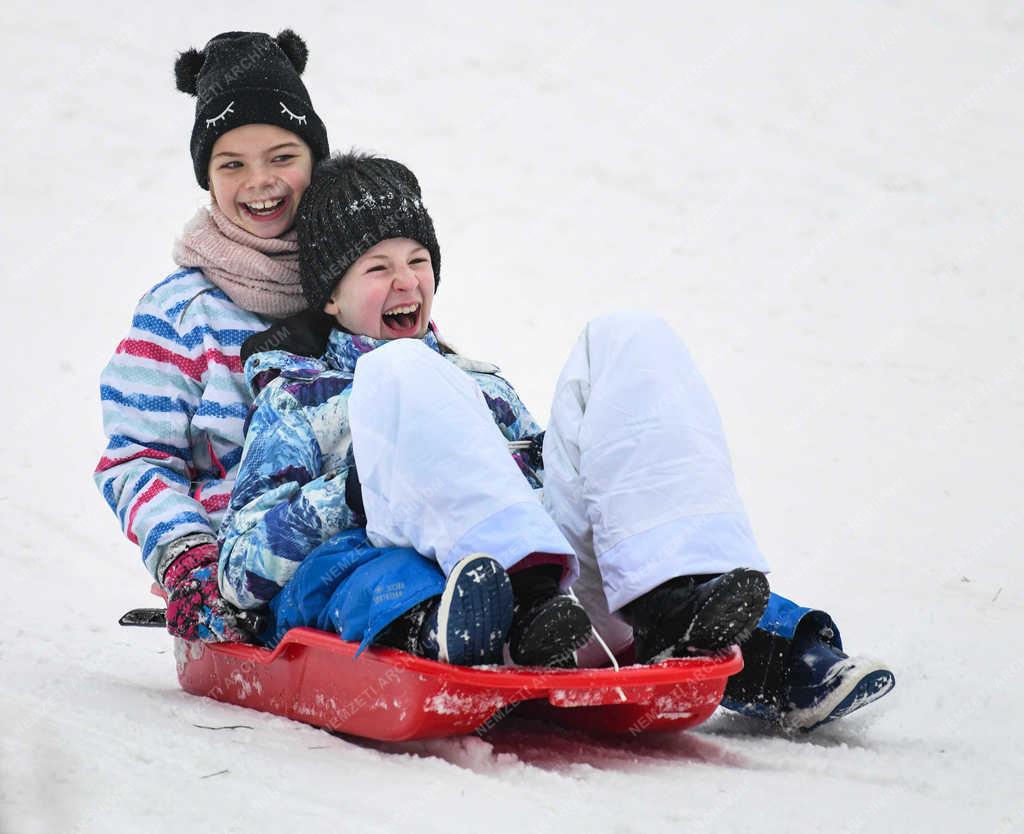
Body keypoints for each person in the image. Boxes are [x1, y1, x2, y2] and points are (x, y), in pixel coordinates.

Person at [217, 151, 772, 673]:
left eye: (418, 261)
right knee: (398, 369)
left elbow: (548, 489)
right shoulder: (300, 400)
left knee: (628, 336)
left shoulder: (477, 381)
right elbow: (239, 569)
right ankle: (517, 601)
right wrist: (353, 493)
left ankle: (673, 597)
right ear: (331, 298)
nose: (407, 281)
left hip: (570, 610)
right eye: (378, 268)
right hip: (467, 605)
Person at [94, 30, 333, 643]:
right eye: (232, 164)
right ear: (208, 178)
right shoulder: (182, 314)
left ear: (315, 160)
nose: (260, 181)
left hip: (371, 534)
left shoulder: (361, 281)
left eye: (282, 156)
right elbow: (138, 458)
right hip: (244, 573)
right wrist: (186, 555)